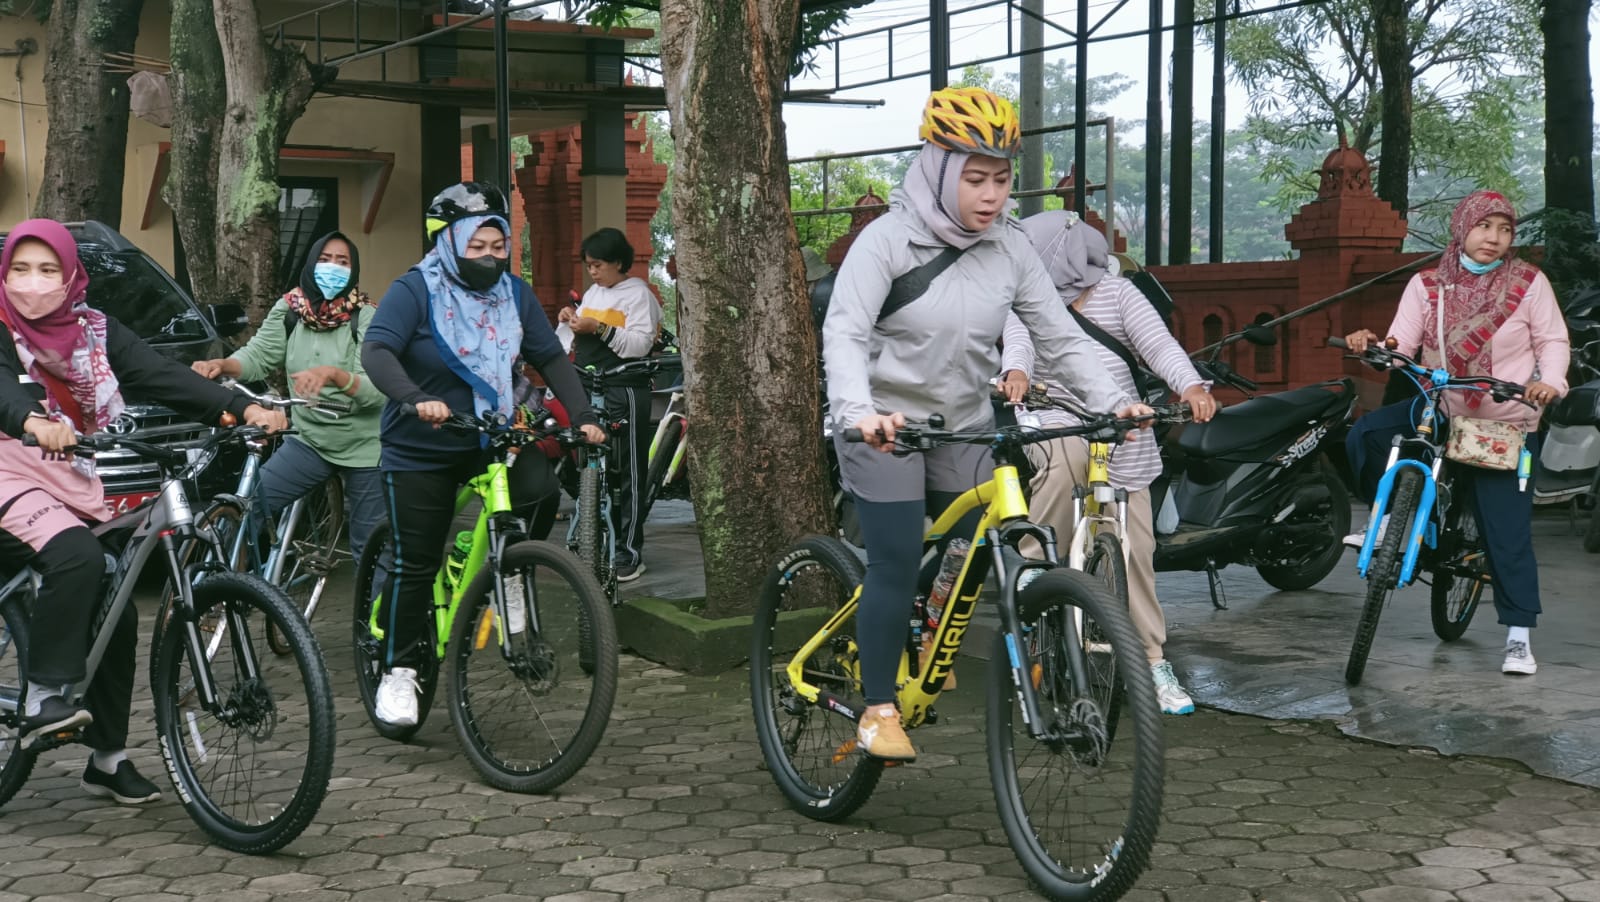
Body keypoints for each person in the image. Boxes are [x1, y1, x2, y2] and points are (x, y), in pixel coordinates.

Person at [823, 87, 1148, 762]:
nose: (992, 195)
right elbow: (846, 333)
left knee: (976, 551)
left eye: (1001, 180)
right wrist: (859, 415)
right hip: (884, 422)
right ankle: (878, 705)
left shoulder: (1009, 249)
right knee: (893, 561)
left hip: (964, 421)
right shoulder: (887, 241)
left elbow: (1058, 337)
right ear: (939, 169)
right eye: (975, 178)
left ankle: (927, 633)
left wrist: (1113, 401)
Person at [0, 218, 286, 802]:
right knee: (77, 558)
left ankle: (107, 759)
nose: (34, 282)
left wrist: (239, 409)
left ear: (72, 276)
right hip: (9, 468)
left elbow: (161, 376)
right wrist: (30, 421)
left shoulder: (95, 331)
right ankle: (41, 695)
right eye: (20, 270)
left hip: (69, 474)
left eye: (48, 269)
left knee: (115, 609)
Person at [360, 181, 605, 728]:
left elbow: (550, 357)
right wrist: (415, 398)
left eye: (499, 247)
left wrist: (584, 416)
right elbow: (376, 350)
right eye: (478, 247)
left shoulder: (513, 294)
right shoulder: (414, 290)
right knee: (414, 562)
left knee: (539, 487)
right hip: (420, 446)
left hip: (491, 436)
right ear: (449, 242)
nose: (491, 258)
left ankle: (509, 573)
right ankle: (399, 671)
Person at [997, 209, 1217, 716]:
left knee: (1137, 551)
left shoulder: (1119, 294)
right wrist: (1015, 373)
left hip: (1124, 425)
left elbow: (1159, 346)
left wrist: (1190, 386)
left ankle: (1153, 660)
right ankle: (1033, 566)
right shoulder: (1026, 298)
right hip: (1058, 419)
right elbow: (1020, 344)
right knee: (1063, 460)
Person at [1342, 190, 1568, 676]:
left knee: (1504, 531)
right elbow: (1401, 341)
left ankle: (1517, 637)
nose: (1494, 238)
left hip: (1502, 419)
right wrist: (1373, 346)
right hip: (1440, 404)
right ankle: (1389, 521)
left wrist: (1548, 381)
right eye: (1485, 226)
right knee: (1367, 435)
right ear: (1462, 227)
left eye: (1505, 229)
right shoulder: (1428, 284)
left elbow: (1551, 340)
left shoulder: (1529, 283)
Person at [191, 231, 384, 565]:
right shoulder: (291, 309)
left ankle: (373, 617)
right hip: (309, 440)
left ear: (354, 271)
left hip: (365, 450)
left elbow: (377, 391)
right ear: (310, 264)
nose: (332, 268)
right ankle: (223, 591)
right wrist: (222, 364)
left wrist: (335, 376)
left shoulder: (365, 316)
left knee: (372, 549)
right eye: (325, 260)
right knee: (248, 505)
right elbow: (259, 355)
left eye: (342, 262)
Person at [558, 227, 662, 582]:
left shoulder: (639, 296)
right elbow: (574, 337)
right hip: (590, 385)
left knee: (631, 470)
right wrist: (570, 322)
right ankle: (594, 536)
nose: (593, 272)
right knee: (586, 461)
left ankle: (630, 549)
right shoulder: (593, 293)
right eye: (589, 266)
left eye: (599, 265)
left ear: (618, 262)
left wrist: (599, 329)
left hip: (625, 388)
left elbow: (638, 344)